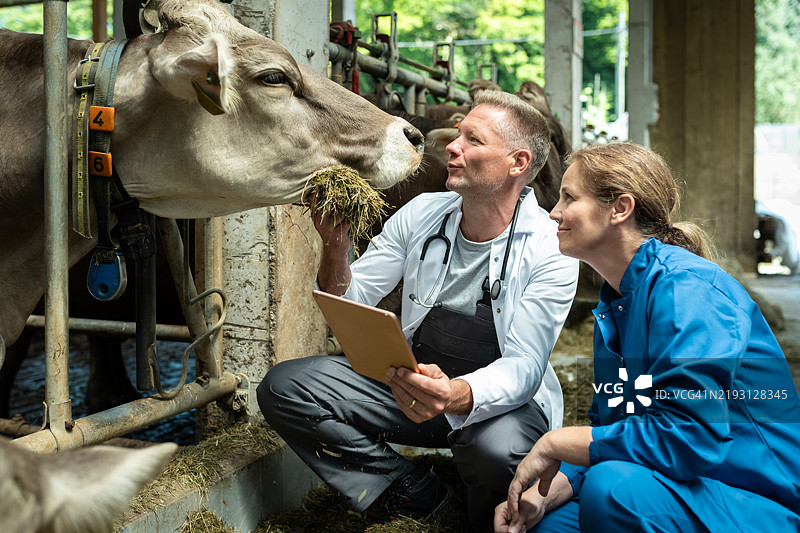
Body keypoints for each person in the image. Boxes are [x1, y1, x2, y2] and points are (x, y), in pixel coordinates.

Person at [257, 90, 579, 528]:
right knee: (285, 387)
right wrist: (335, 248)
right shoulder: (423, 213)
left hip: (499, 408)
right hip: (413, 386)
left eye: (472, 139)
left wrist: (452, 394)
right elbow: (349, 301)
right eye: (458, 134)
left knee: (497, 452)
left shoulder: (550, 247)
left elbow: (524, 367)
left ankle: (484, 518)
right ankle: (414, 493)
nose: (452, 146)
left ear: (517, 163)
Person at [494, 142, 800, 533]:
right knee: (544, 523)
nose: (554, 212)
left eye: (569, 198)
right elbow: (616, 427)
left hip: (758, 500)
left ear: (620, 209)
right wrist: (549, 491)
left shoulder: (687, 289)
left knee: (612, 490)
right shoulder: (617, 303)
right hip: (682, 485)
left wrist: (556, 442)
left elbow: (691, 435)